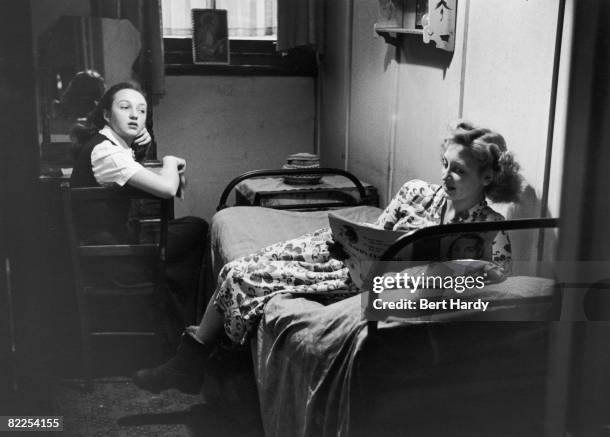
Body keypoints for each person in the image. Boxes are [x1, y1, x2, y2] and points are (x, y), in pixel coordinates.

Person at [133, 120, 521, 394]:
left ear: (487, 178)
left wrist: (459, 271)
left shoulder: (488, 227)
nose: (446, 177)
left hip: (367, 280)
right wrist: (353, 242)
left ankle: (194, 359)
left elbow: (497, 276)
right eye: (445, 165)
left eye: (460, 171)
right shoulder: (418, 192)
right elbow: (379, 232)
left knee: (245, 277)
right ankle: (203, 354)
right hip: (341, 253)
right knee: (239, 265)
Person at [70, 82, 207, 325]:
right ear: (106, 115)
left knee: (193, 227)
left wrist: (140, 149)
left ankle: (179, 323)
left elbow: (175, 186)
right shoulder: (106, 152)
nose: (135, 115)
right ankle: (178, 327)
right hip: (110, 262)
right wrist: (169, 160)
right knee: (195, 232)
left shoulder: (112, 146)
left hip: (114, 249)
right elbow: (168, 188)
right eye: (125, 107)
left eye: (142, 111)